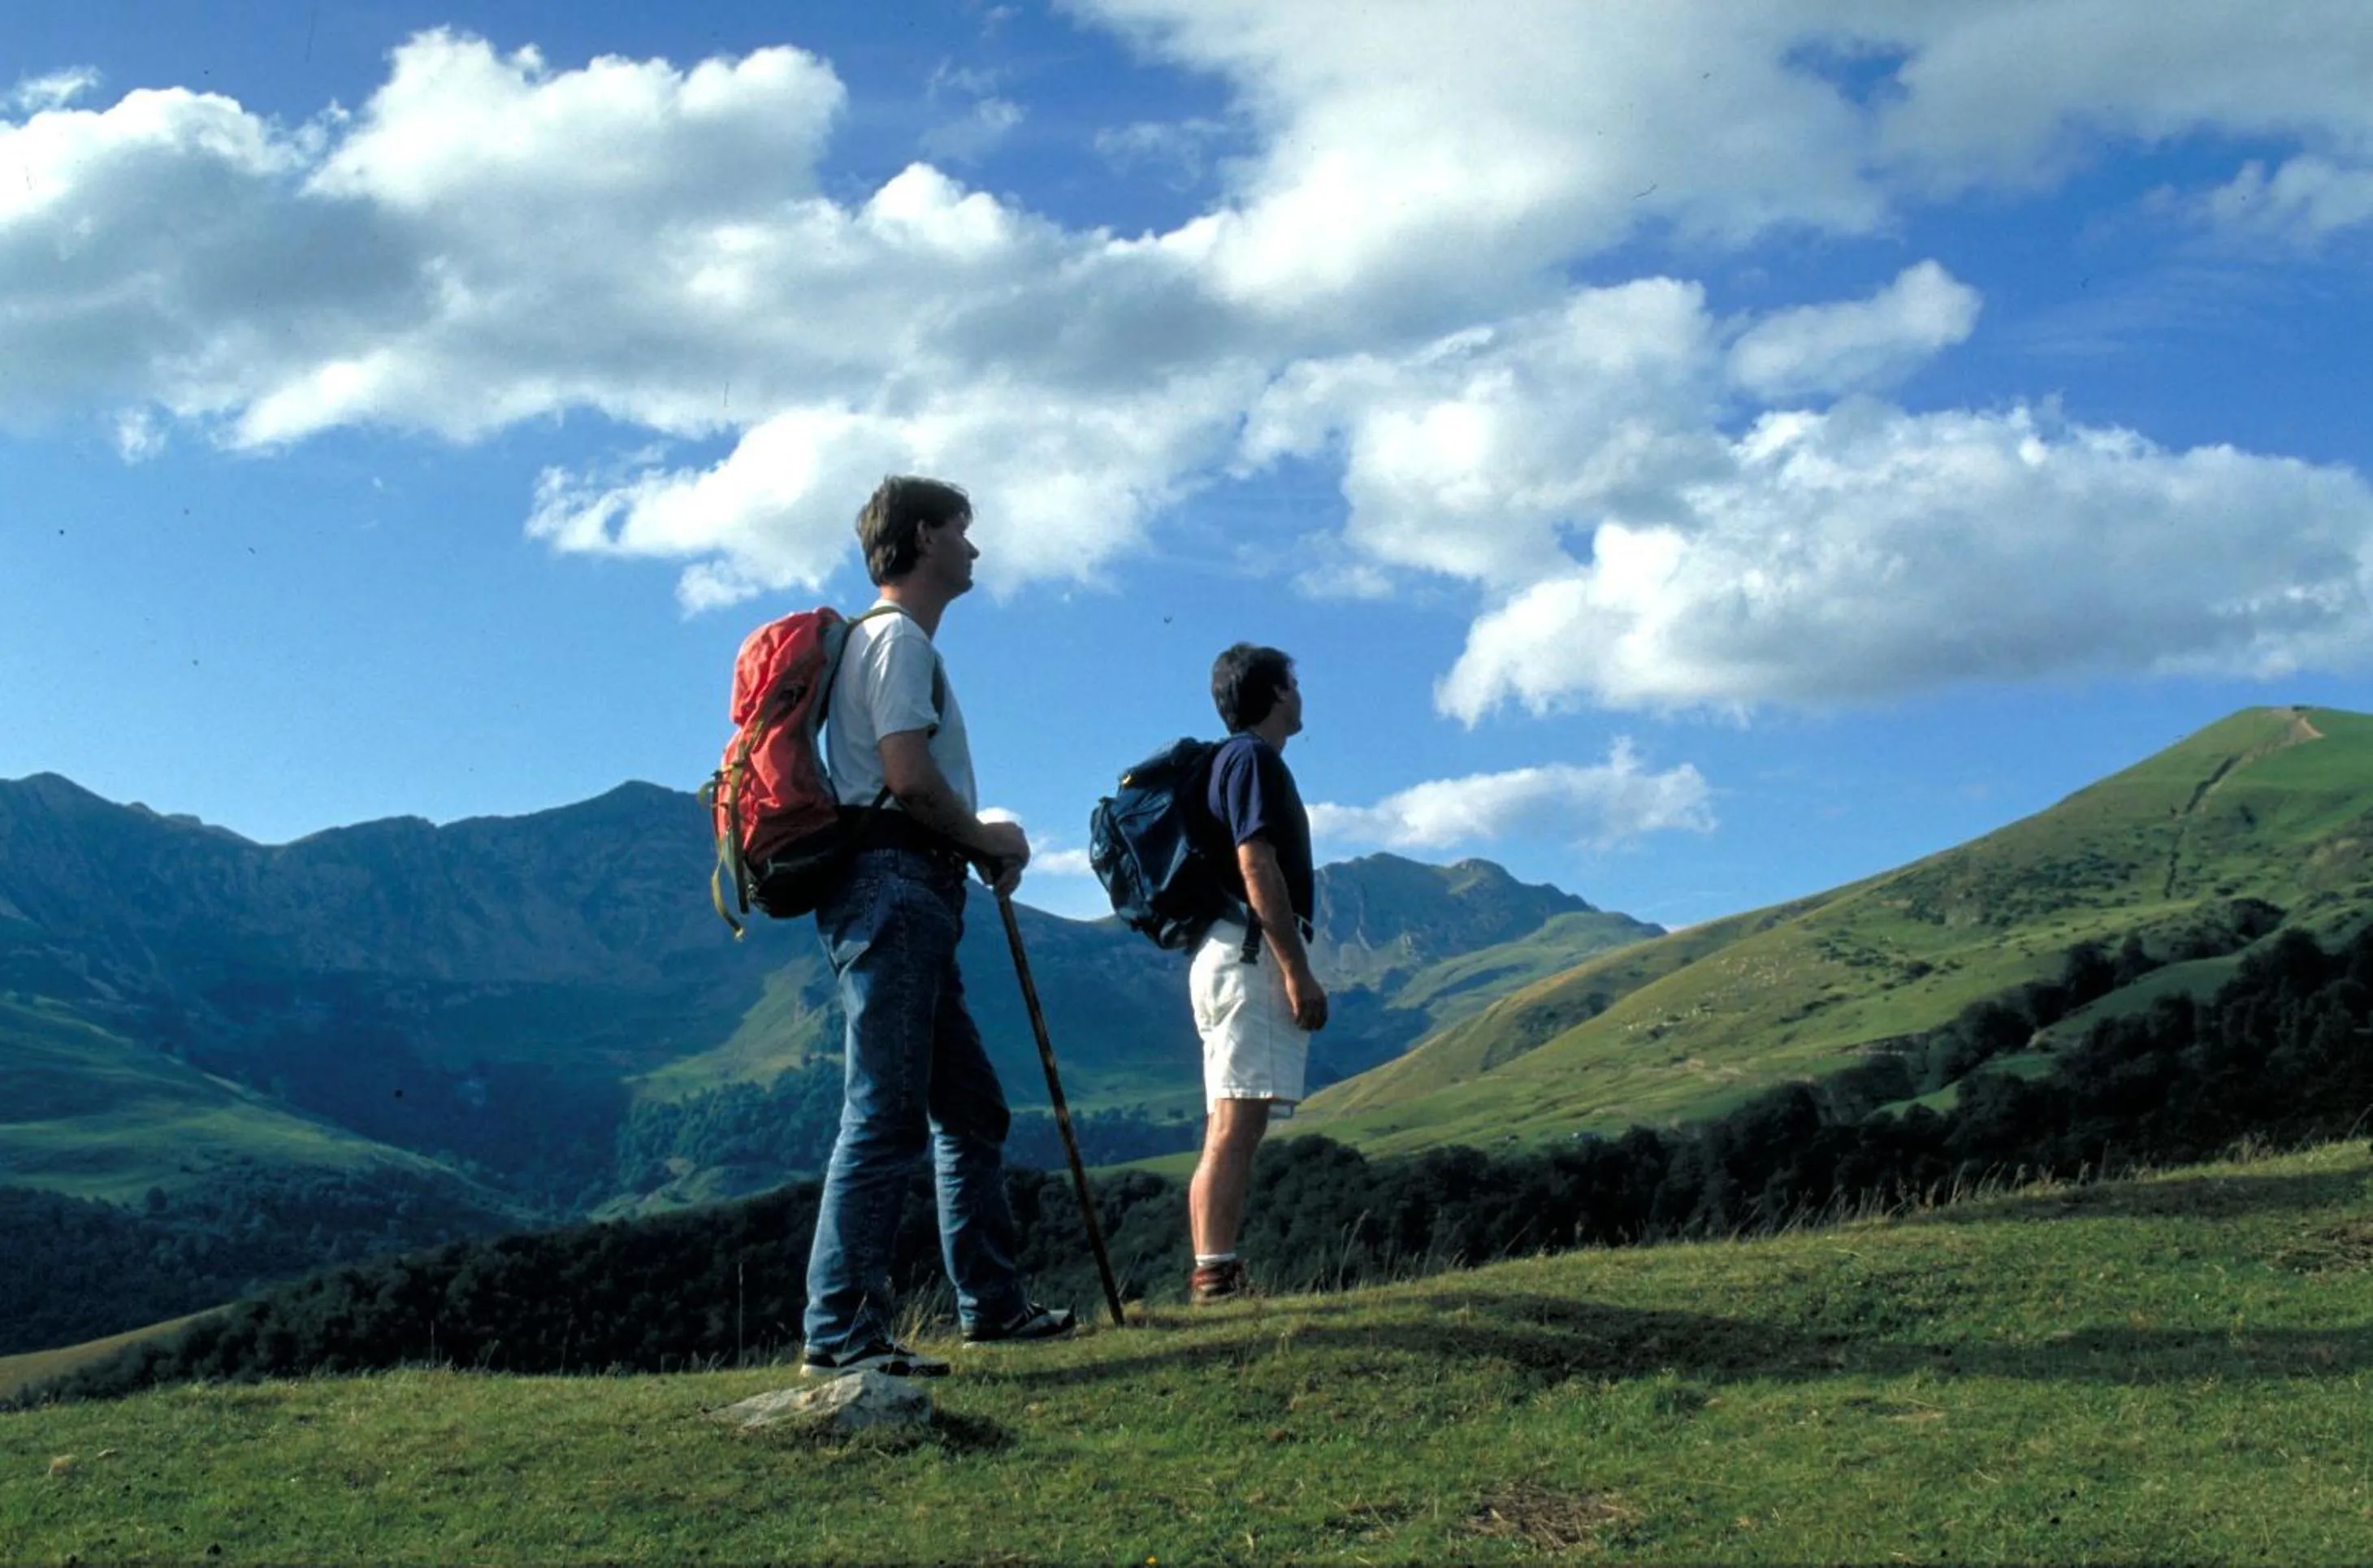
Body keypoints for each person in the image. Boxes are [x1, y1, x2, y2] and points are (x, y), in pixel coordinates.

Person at [799, 475, 1074, 1377]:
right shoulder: (898, 643)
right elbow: (908, 777)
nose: (974, 547)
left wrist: (966, 847)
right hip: (896, 886)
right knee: (884, 1113)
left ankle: (991, 1307)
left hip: (902, 889)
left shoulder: (877, 644)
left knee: (969, 1108)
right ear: (923, 538)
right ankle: (840, 1335)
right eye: (962, 529)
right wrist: (986, 836)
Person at [1184, 643, 1327, 1304]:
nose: (1300, 695)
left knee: (1230, 1120)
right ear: (1273, 692)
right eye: (1292, 684)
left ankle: (1217, 1267)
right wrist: (1295, 970)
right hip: (1249, 954)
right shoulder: (1251, 760)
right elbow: (1256, 864)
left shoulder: (1233, 761)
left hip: (1228, 951)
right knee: (1236, 1125)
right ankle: (1215, 1274)